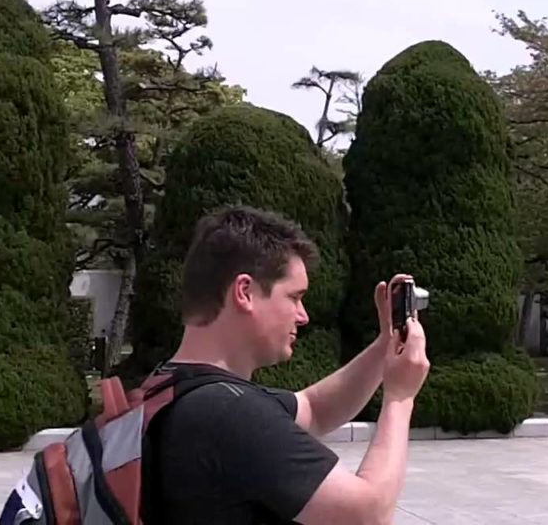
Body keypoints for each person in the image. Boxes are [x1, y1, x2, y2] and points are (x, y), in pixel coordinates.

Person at [142, 205, 431, 524]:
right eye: (294, 297)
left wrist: (383, 347)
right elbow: (368, 514)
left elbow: (314, 408)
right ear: (245, 292)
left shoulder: (170, 387)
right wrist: (400, 397)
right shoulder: (228, 413)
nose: (303, 315)